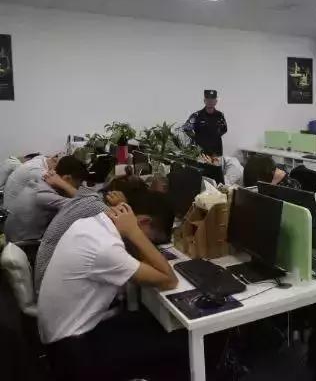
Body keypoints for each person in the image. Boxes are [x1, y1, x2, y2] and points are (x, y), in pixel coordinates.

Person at [37, 191, 182, 380]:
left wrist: (135, 231)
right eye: (153, 239)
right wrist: (135, 233)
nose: (151, 244)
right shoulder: (105, 248)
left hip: (65, 334)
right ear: (144, 222)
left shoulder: (91, 223)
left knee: (148, 320)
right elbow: (170, 280)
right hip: (74, 352)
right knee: (177, 342)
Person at [4, 156, 88, 242]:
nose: (78, 188)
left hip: (17, 237)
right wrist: (63, 184)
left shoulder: (40, 182)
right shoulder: (45, 195)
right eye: (78, 184)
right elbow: (87, 205)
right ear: (67, 178)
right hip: (25, 245)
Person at [182, 89, 228, 156]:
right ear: (204, 101)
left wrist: (214, 137)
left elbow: (224, 129)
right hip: (199, 151)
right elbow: (186, 128)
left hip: (215, 151)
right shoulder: (196, 115)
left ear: (216, 102)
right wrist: (196, 138)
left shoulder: (220, 115)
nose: (210, 102)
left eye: (212, 100)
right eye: (208, 100)